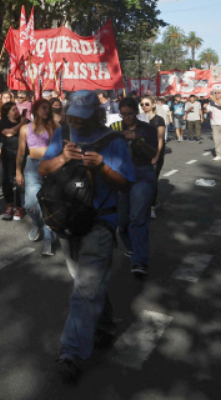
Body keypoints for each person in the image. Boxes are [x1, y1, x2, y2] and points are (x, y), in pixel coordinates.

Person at [39, 90, 133, 384]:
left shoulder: (114, 141)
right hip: (66, 221)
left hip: (99, 222)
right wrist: (62, 160)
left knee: (85, 287)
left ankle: (70, 352)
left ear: (95, 113)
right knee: (84, 281)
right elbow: (42, 168)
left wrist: (102, 167)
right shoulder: (62, 133)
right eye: (72, 116)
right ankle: (104, 327)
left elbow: (126, 184)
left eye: (82, 117)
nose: (76, 122)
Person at [111, 97, 159, 278]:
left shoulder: (148, 129)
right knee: (122, 221)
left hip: (142, 175)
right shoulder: (115, 128)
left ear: (136, 112)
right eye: (123, 114)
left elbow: (154, 154)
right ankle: (132, 246)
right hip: (122, 176)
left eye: (129, 114)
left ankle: (139, 261)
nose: (126, 118)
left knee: (137, 218)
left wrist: (139, 141)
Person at [16, 99, 57, 256]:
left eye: (49, 108)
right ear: (36, 109)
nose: (47, 110)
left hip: (49, 166)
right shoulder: (25, 129)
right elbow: (20, 152)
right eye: (44, 107)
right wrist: (18, 171)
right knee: (29, 204)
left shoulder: (53, 127)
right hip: (31, 167)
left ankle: (48, 242)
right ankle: (37, 222)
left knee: (48, 206)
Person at [0, 102, 26, 221]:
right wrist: (22, 124)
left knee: (20, 180)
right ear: (7, 112)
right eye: (13, 110)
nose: (16, 111)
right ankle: (9, 205)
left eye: (16, 109)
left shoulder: (25, 120)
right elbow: (9, 133)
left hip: (21, 154)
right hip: (7, 154)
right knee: (7, 180)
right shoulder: (3, 122)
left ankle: (19, 206)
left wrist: (24, 122)